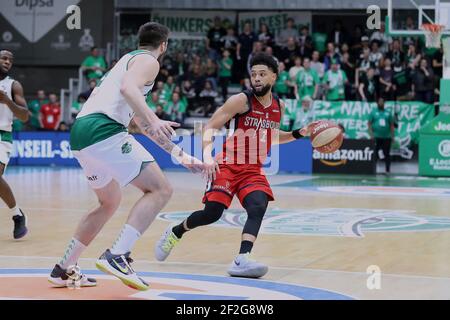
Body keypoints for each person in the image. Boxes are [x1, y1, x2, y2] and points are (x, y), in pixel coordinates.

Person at [48, 22, 204, 290]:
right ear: (163, 45)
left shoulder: (127, 60)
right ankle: (117, 255)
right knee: (161, 190)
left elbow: (142, 124)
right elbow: (129, 93)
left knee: (109, 202)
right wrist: (155, 119)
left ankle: (63, 268)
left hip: (82, 132)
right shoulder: (148, 61)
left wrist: (180, 154)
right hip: (102, 129)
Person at [154, 53, 317, 278]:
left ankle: (242, 259)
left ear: (274, 77)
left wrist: (299, 133)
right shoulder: (241, 100)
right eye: (253, 74)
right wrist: (208, 156)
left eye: (262, 74)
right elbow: (210, 126)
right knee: (211, 214)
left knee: (258, 205)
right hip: (228, 165)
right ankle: (175, 231)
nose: (257, 78)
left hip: (252, 170)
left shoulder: (279, 105)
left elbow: (271, 136)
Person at [0, 50, 29, 239]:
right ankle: (17, 214)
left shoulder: (13, 85)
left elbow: (25, 116)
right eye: (3, 58)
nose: (7, 61)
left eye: (10, 59)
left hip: (2, 135)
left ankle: (17, 216)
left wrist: (7, 101)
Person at [368, 98, 395, 174]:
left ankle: (387, 170)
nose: (381, 103)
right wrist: (371, 134)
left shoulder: (388, 113)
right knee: (375, 154)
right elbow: (369, 123)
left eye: (382, 102)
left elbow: (391, 125)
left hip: (386, 137)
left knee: (387, 154)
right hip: (376, 137)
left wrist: (392, 136)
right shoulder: (373, 112)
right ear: (377, 103)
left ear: (384, 103)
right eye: (379, 102)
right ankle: (373, 169)